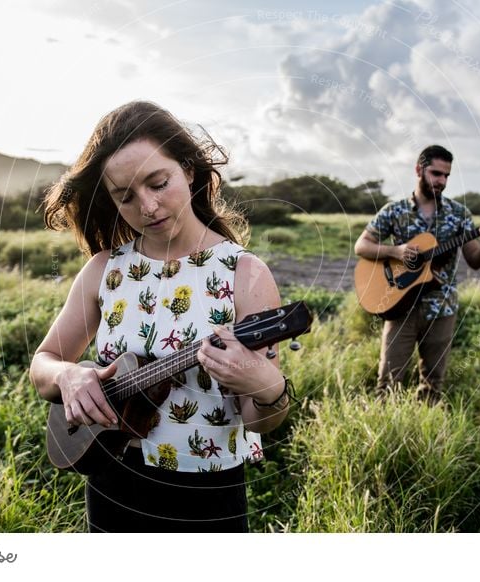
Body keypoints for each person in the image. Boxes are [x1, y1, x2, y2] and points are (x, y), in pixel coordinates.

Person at [30, 101, 291, 532]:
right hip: (112, 479)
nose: (147, 207)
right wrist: (67, 377)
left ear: (188, 170)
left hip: (206, 493)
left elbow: (261, 420)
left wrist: (265, 385)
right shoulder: (103, 270)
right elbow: (44, 362)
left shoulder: (243, 274)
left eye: (158, 183)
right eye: (125, 196)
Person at [354, 145, 480, 404]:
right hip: (399, 304)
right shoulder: (393, 211)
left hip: (442, 308)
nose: (441, 181)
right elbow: (361, 246)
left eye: (446, 176)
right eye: (436, 173)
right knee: (388, 382)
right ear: (418, 169)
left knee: (433, 384)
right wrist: (396, 251)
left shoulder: (459, 214)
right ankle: (384, 434)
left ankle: (425, 434)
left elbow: (475, 261)